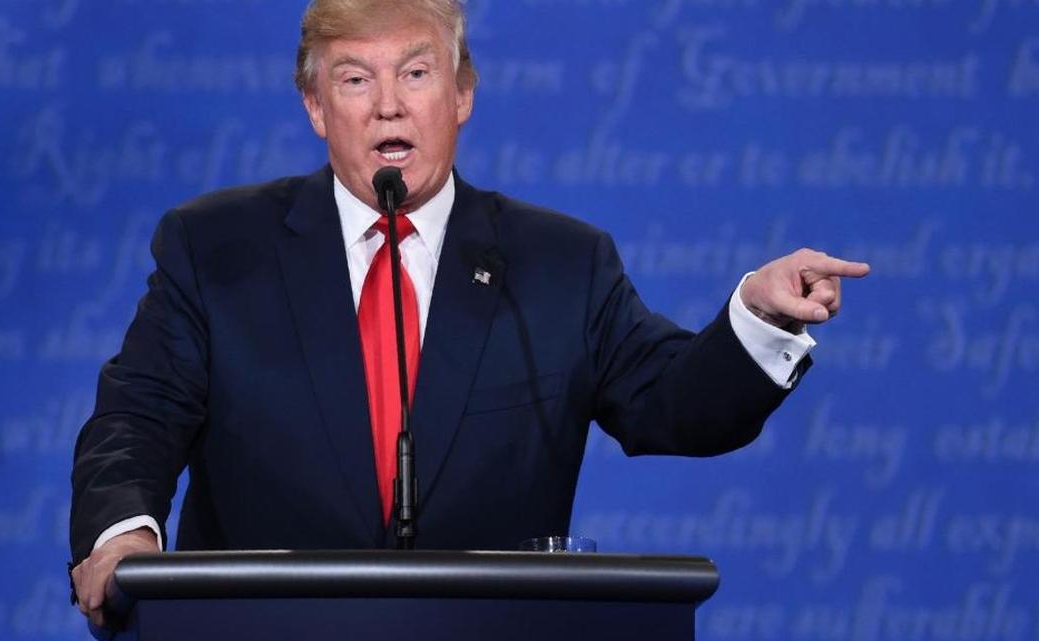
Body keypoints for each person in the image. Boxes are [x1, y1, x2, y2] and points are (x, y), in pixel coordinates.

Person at [69, 0, 870, 628]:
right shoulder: (216, 249)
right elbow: (135, 418)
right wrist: (124, 537)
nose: (388, 107)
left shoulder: (562, 264)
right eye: (354, 80)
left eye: (415, 74)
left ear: (462, 94)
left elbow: (676, 403)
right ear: (315, 106)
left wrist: (758, 320)